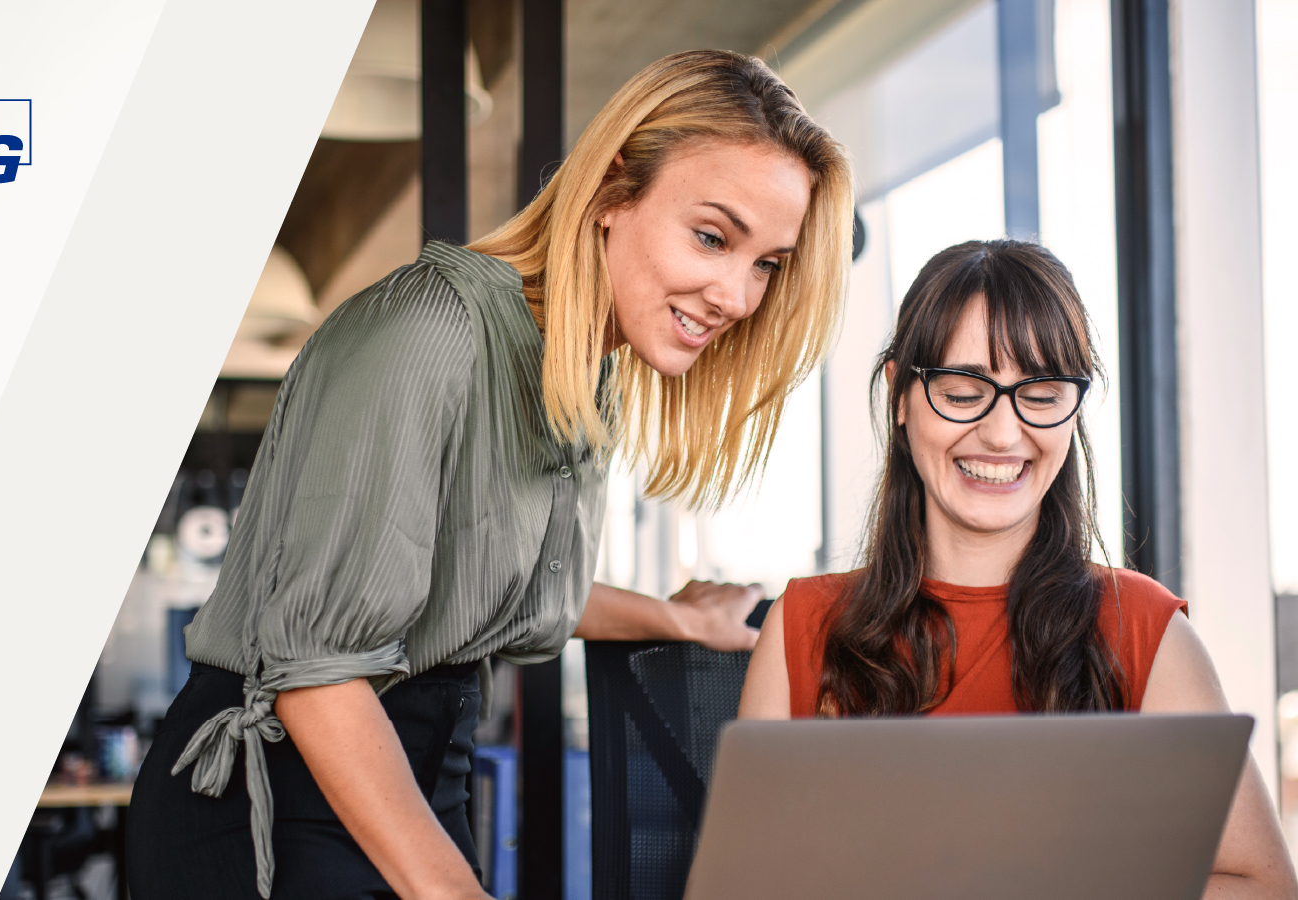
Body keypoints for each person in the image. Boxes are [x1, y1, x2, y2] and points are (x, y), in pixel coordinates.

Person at [127, 49, 855, 900]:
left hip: (414, 785)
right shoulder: (429, 330)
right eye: (712, 236)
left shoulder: (586, 371)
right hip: (272, 805)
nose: (737, 294)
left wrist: (673, 619)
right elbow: (318, 673)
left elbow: (475, 581)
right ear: (612, 193)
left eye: (767, 262)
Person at [738, 239, 1298, 898]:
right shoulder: (806, 626)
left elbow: (1264, 887)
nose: (1003, 435)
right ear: (899, 395)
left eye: (1040, 393)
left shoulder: (1140, 627)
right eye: (963, 390)